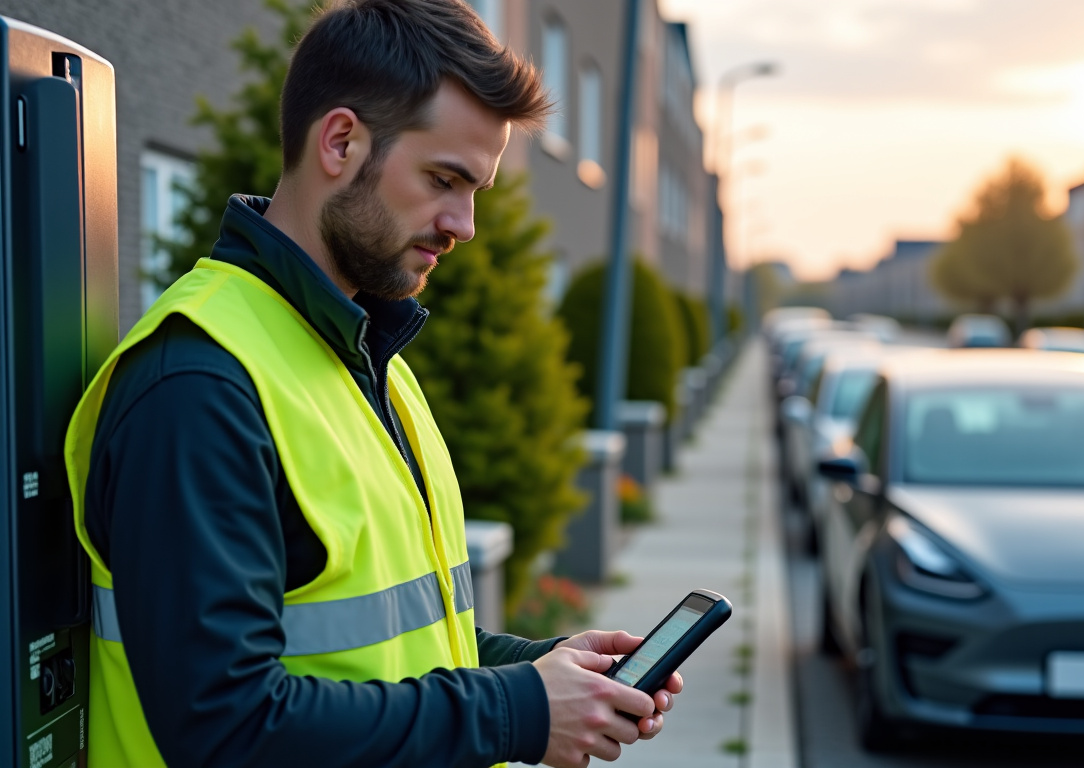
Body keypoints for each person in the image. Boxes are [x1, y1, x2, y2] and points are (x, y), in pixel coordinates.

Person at [63, 1, 681, 766]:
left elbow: (397, 642)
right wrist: (515, 710)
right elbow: (224, 725)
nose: (464, 224)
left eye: (476, 190)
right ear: (342, 141)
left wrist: (542, 670)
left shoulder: (367, 356)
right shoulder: (197, 386)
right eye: (444, 179)